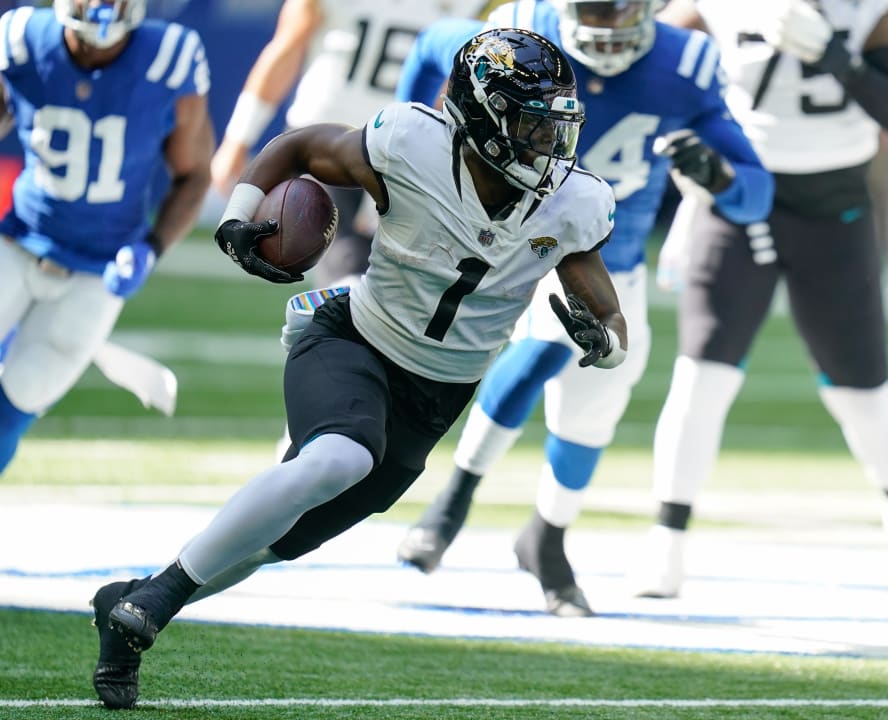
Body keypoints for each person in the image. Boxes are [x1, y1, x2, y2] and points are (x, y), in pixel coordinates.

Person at [91, 28, 623, 709]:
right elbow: (304, 145)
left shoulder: (574, 202)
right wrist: (240, 214)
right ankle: (154, 605)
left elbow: (613, 324)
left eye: (554, 128)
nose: (545, 144)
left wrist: (603, 342)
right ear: (481, 115)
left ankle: (132, 607)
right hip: (354, 337)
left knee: (274, 546)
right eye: (529, 124)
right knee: (338, 459)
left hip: (435, 398)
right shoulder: (413, 142)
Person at [393, 0, 773, 617]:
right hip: (528, 241)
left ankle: (547, 536)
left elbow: (757, 196)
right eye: (591, 8)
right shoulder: (522, 31)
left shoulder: (687, 63)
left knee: (590, 415)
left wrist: (720, 178)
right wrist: (411, 139)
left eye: (618, 11)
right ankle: (453, 502)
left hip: (616, 262)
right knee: (545, 347)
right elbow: (435, 44)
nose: (604, 26)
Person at [626, 0, 888, 602]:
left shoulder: (868, 12)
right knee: (703, 373)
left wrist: (836, 58)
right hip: (734, 194)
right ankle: (666, 540)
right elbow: (643, 60)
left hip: (834, 206)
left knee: (861, 393)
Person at [0, 0, 213, 475]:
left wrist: (151, 249)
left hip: (98, 270)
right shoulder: (20, 39)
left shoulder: (168, 57)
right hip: (17, 243)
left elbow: (195, 174)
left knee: (18, 402)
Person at [211, 0, 498, 292]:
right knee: (345, 259)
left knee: (388, 275)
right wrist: (238, 138)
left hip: (387, 145)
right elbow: (288, 45)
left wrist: (238, 138)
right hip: (341, 141)